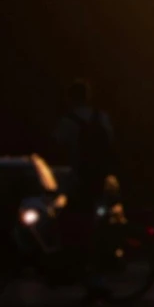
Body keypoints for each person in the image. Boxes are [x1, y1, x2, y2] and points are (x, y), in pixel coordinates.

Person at [54, 78, 115, 216]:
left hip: (77, 173)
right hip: (100, 172)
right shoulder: (101, 117)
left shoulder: (68, 121)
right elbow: (110, 140)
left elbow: (58, 144)